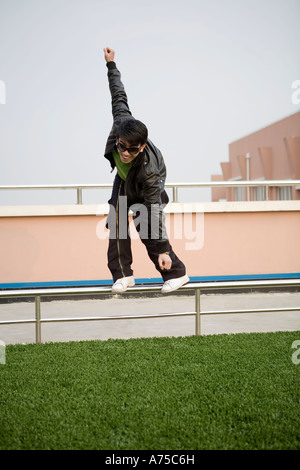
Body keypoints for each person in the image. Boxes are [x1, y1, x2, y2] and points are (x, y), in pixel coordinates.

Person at [103, 47, 189, 293]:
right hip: (123, 180)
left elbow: (155, 212)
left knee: (147, 225)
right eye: (121, 147)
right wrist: (111, 64)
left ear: (141, 147)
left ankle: (176, 273)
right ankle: (123, 276)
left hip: (144, 185)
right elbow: (118, 94)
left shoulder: (149, 171)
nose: (124, 153)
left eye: (131, 150)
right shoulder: (121, 122)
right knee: (116, 220)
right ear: (118, 137)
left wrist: (163, 248)